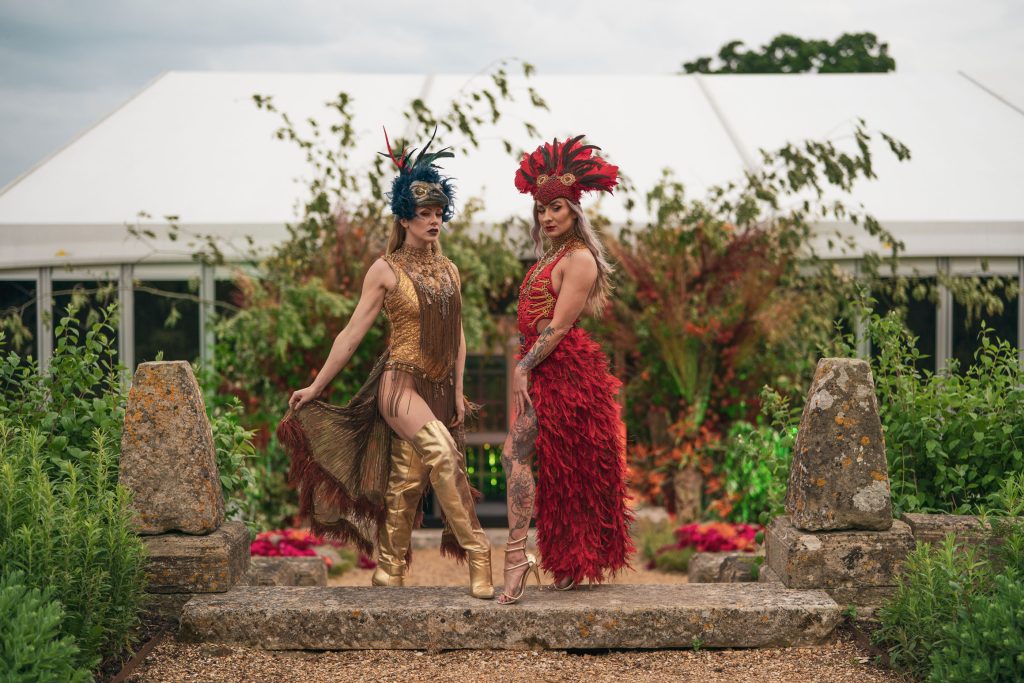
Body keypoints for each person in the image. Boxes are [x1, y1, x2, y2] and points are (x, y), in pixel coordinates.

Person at [277, 130, 494, 600]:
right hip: (398, 386)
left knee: (408, 480)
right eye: (424, 214)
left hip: (437, 388)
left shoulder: (451, 269)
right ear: (405, 218)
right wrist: (316, 387)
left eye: (439, 213)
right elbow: (351, 335)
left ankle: (389, 570)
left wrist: (457, 392)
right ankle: (480, 556)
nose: (434, 221)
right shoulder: (385, 269)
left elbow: (457, 333)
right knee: (441, 453)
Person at [497, 135, 635, 604]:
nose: (548, 216)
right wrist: (527, 367)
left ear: (575, 210)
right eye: (541, 209)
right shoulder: (551, 256)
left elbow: (556, 328)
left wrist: (523, 368)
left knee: (559, 468)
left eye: (556, 207)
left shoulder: (579, 259)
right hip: (543, 370)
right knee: (526, 461)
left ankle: (554, 562)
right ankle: (529, 560)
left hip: (566, 372)